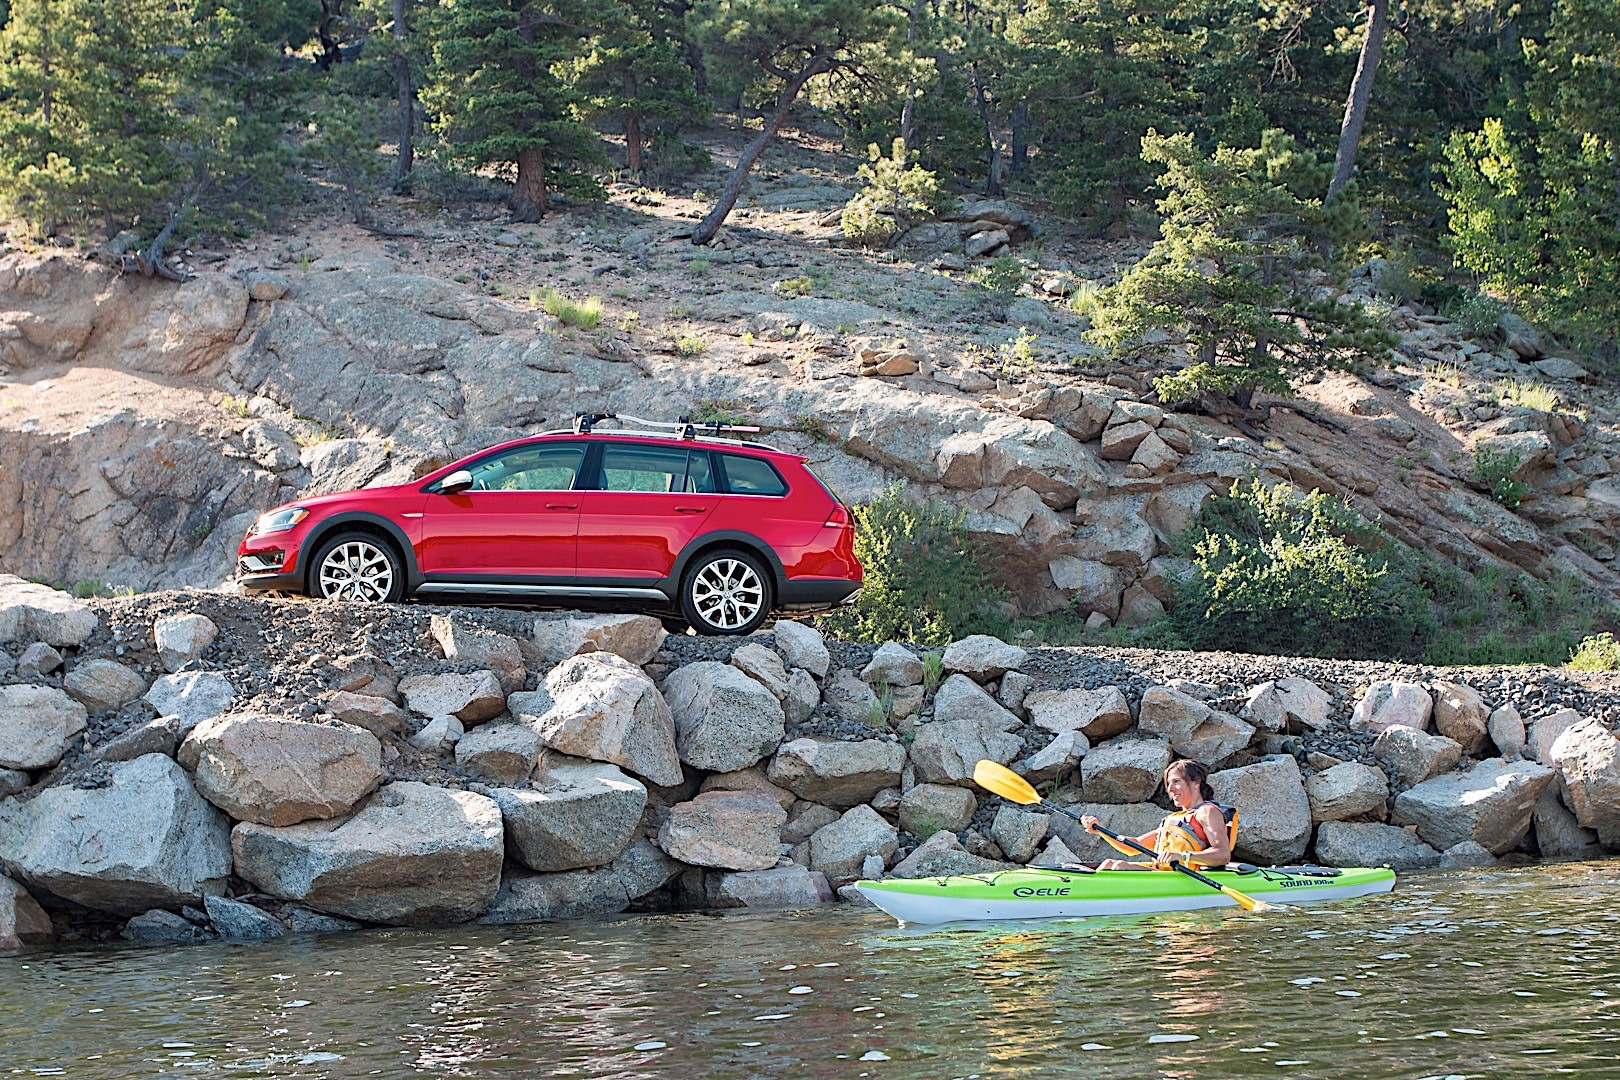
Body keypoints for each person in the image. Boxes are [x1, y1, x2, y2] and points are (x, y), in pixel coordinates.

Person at [1080, 760, 1237, 871]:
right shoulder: (1174, 819)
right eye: (1168, 784)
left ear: (1196, 783)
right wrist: (1099, 830)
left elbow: (1223, 854)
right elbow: (1134, 846)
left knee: (1118, 867)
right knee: (1109, 864)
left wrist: (1182, 856)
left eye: (1176, 782)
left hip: (1187, 877)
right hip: (1164, 873)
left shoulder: (1207, 812)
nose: (1171, 789)